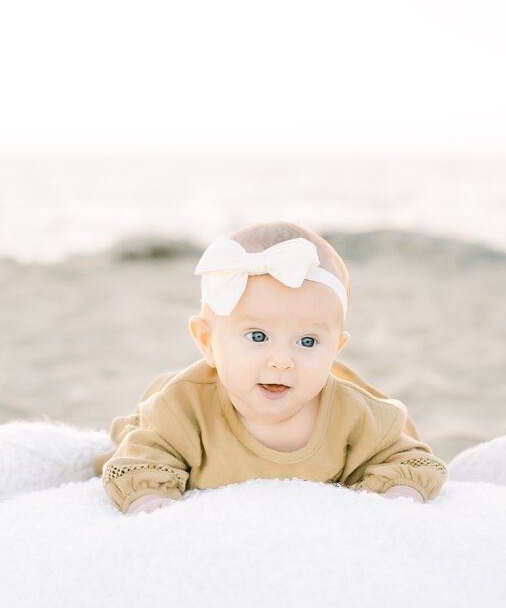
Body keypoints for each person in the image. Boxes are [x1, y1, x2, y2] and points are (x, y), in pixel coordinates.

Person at [95, 220, 448, 514]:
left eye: (307, 342)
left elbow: (412, 462)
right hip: (172, 400)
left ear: (336, 350)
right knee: (133, 433)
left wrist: (397, 498)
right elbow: (140, 464)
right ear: (207, 342)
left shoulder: (353, 414)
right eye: (258, 336)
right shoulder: (183, 409)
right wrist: (151, 502)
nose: (281, 360)